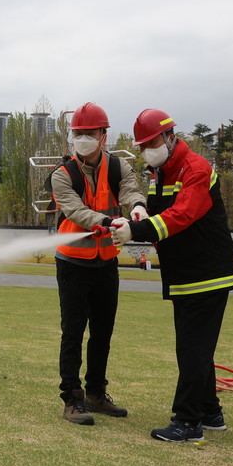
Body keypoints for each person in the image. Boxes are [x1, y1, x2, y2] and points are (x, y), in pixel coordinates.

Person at [111, 109, 233, 443]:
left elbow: (183, 214)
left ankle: (188, 421)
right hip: (184, 273)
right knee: (198, 347)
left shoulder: (196, 168)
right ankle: (210, 411)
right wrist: (141, 212)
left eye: (151, 142)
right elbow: (162, 215)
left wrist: (135, 229)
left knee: (192, 348)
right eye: (142, 146)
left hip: (206, 273)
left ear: (169, 136)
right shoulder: (159, 172)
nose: (146, 150)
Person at [49, 102, 146, 425]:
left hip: (106, 262)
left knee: (103, 332)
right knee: (73, 332)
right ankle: (72, 398)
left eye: (90, 133)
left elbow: (130, 191)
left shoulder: (119, 168)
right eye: (78, 133)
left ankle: (96, 393)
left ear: (103, 136)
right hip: (73, 262)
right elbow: (75, 210)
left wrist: (137, 211)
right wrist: (105, 220)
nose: (83, 138)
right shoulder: (62, 175)